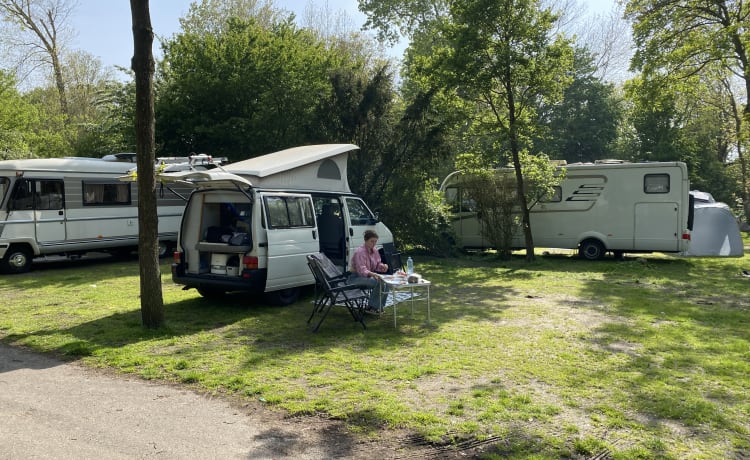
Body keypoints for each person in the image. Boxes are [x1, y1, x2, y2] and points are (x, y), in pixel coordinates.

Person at [348, 229, 389, 312]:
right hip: (355, 278)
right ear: (366, 240)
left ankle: (379, 307)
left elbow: (377, 264)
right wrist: (372, 274)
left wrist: (383, 266)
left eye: (375, 241)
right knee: (378, 283)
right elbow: (361, 270)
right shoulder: (360, 252)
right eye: (372, 241)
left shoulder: (374, 251)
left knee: (386, 282)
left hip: (366, 277)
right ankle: (371, 307)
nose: (374, 244)